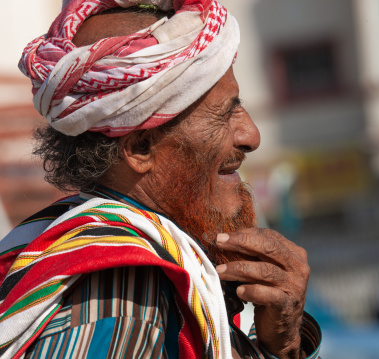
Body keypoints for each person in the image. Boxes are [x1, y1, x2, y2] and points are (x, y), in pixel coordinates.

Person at [0, 0, 321, 358]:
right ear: (140, 148)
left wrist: (285, 344)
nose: (251, 135)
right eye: (225, 113)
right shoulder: (125, 300)